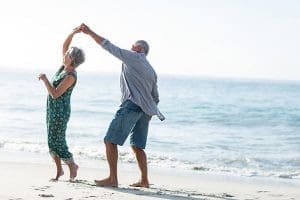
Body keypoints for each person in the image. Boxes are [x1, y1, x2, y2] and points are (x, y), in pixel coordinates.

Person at [78, 23, 165, 188]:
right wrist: (148, 116)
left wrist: (89, 32)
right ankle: (144, 180)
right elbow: (155, 97)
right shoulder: (151, 70)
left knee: (109, 140)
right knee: (137, 146)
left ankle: (113, 178)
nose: (130, 48)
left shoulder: (134, 57)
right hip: (146, 111)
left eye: (133, 46)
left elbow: (108, 46)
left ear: (139, 49)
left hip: (131, 105)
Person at [38, 28, 85, 181]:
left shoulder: (71, 75)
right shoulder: (64, 67)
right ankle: (59, 171)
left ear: (72, 59)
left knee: (57, 140)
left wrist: (45, 80)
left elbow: (56, 94)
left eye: (67, 54)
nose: (64, 54)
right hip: (52, 109)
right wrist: (73, 33)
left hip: (60, 112)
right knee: (51, 140)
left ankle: (72, 164)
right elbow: (64, 46)